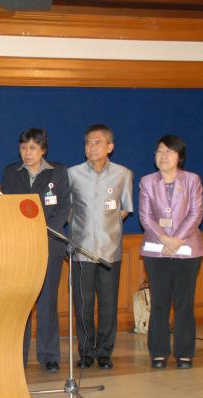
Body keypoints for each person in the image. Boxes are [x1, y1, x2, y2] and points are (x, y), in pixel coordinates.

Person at [2, 128, 70, 372]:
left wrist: (42, 231)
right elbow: (7, 207)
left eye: (32, 148)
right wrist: (25, 233)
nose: (27, 153)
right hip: (21, 246)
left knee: (47, 301)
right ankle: (17, 356)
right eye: (23, 148)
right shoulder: (11, 172)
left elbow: (63, 208)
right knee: (22, 302)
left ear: (43, 150)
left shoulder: (58, 171)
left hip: (50, 244)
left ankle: (49, 355)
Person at [67, 124, 133, 370]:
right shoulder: (72, 174)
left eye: (97, 142)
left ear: (110, 147)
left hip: (109, 250)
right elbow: (68, 209)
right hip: (81, 250)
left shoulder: (123, 174)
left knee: (107, 305)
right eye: (88, 143)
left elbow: (125, 208)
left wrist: (108, 227)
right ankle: (86, 351)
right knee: (83, 305)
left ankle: (105, 352)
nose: (91, 147)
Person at [139, 135, 203, 369]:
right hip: (156, 250)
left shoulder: (192, 180)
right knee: (159, 302)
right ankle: (158, 352)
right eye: (159, 151)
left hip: (187, 249)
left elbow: (196, 213)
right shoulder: (147, 181)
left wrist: (176, 240)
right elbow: (145, 216)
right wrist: (164, 239)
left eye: (169, 151)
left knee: (184, 302)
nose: (163, 156)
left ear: (180, 156)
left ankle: (184, 352)